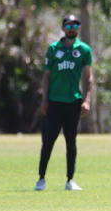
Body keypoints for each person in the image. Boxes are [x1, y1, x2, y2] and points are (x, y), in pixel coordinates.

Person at [35, 15, 94, 191]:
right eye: (68, 26)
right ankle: (41, 179)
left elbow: (89, 77)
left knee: (71, 142)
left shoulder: (84, 50)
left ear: (78, 28)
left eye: (75, 25)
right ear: (63, 29)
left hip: (73, 101)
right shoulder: (54, 49)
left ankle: (70, 180)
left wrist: (87, 100)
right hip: (54, 102)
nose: (72, 29)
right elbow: (47, 75)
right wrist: (45, 100)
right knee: (48, 141)